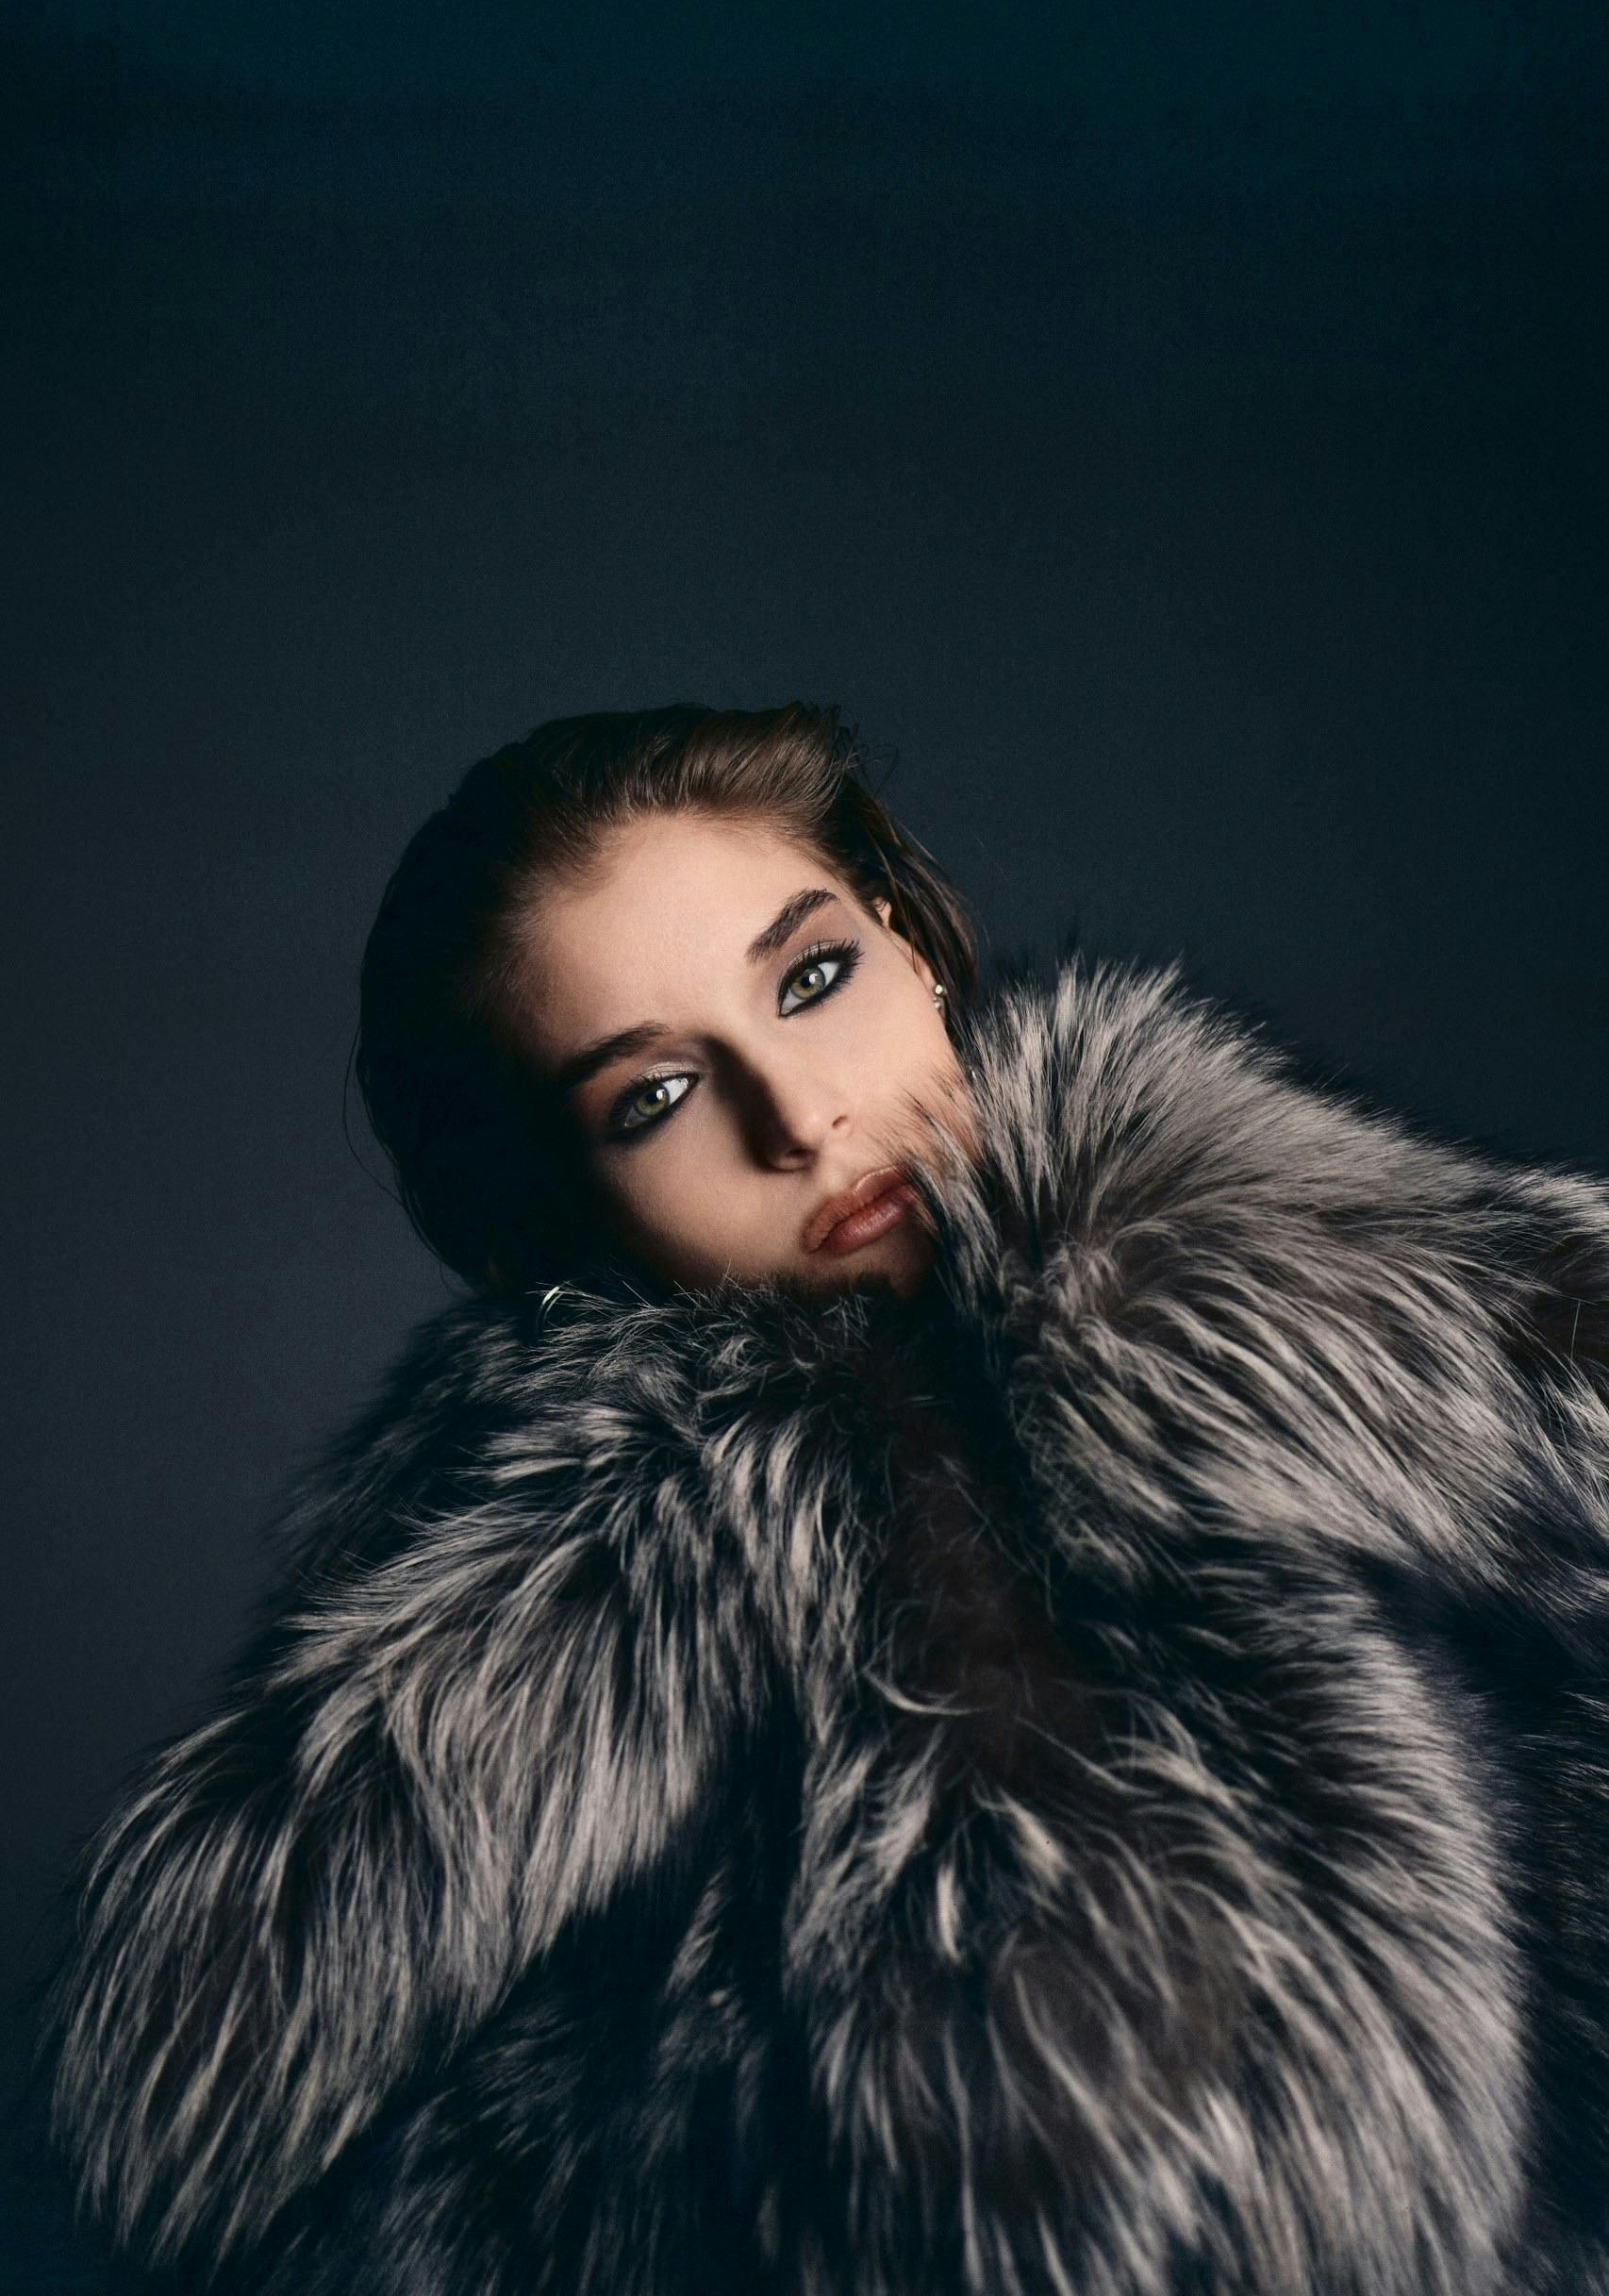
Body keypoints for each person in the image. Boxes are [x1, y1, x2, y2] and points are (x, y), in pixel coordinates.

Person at [43, 702, 1609, 2294]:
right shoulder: (508, 1725)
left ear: (908, 944)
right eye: (652, 1100)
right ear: (550, 1219)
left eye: (810, 980)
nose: (801, 1119)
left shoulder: (1452, 1342)